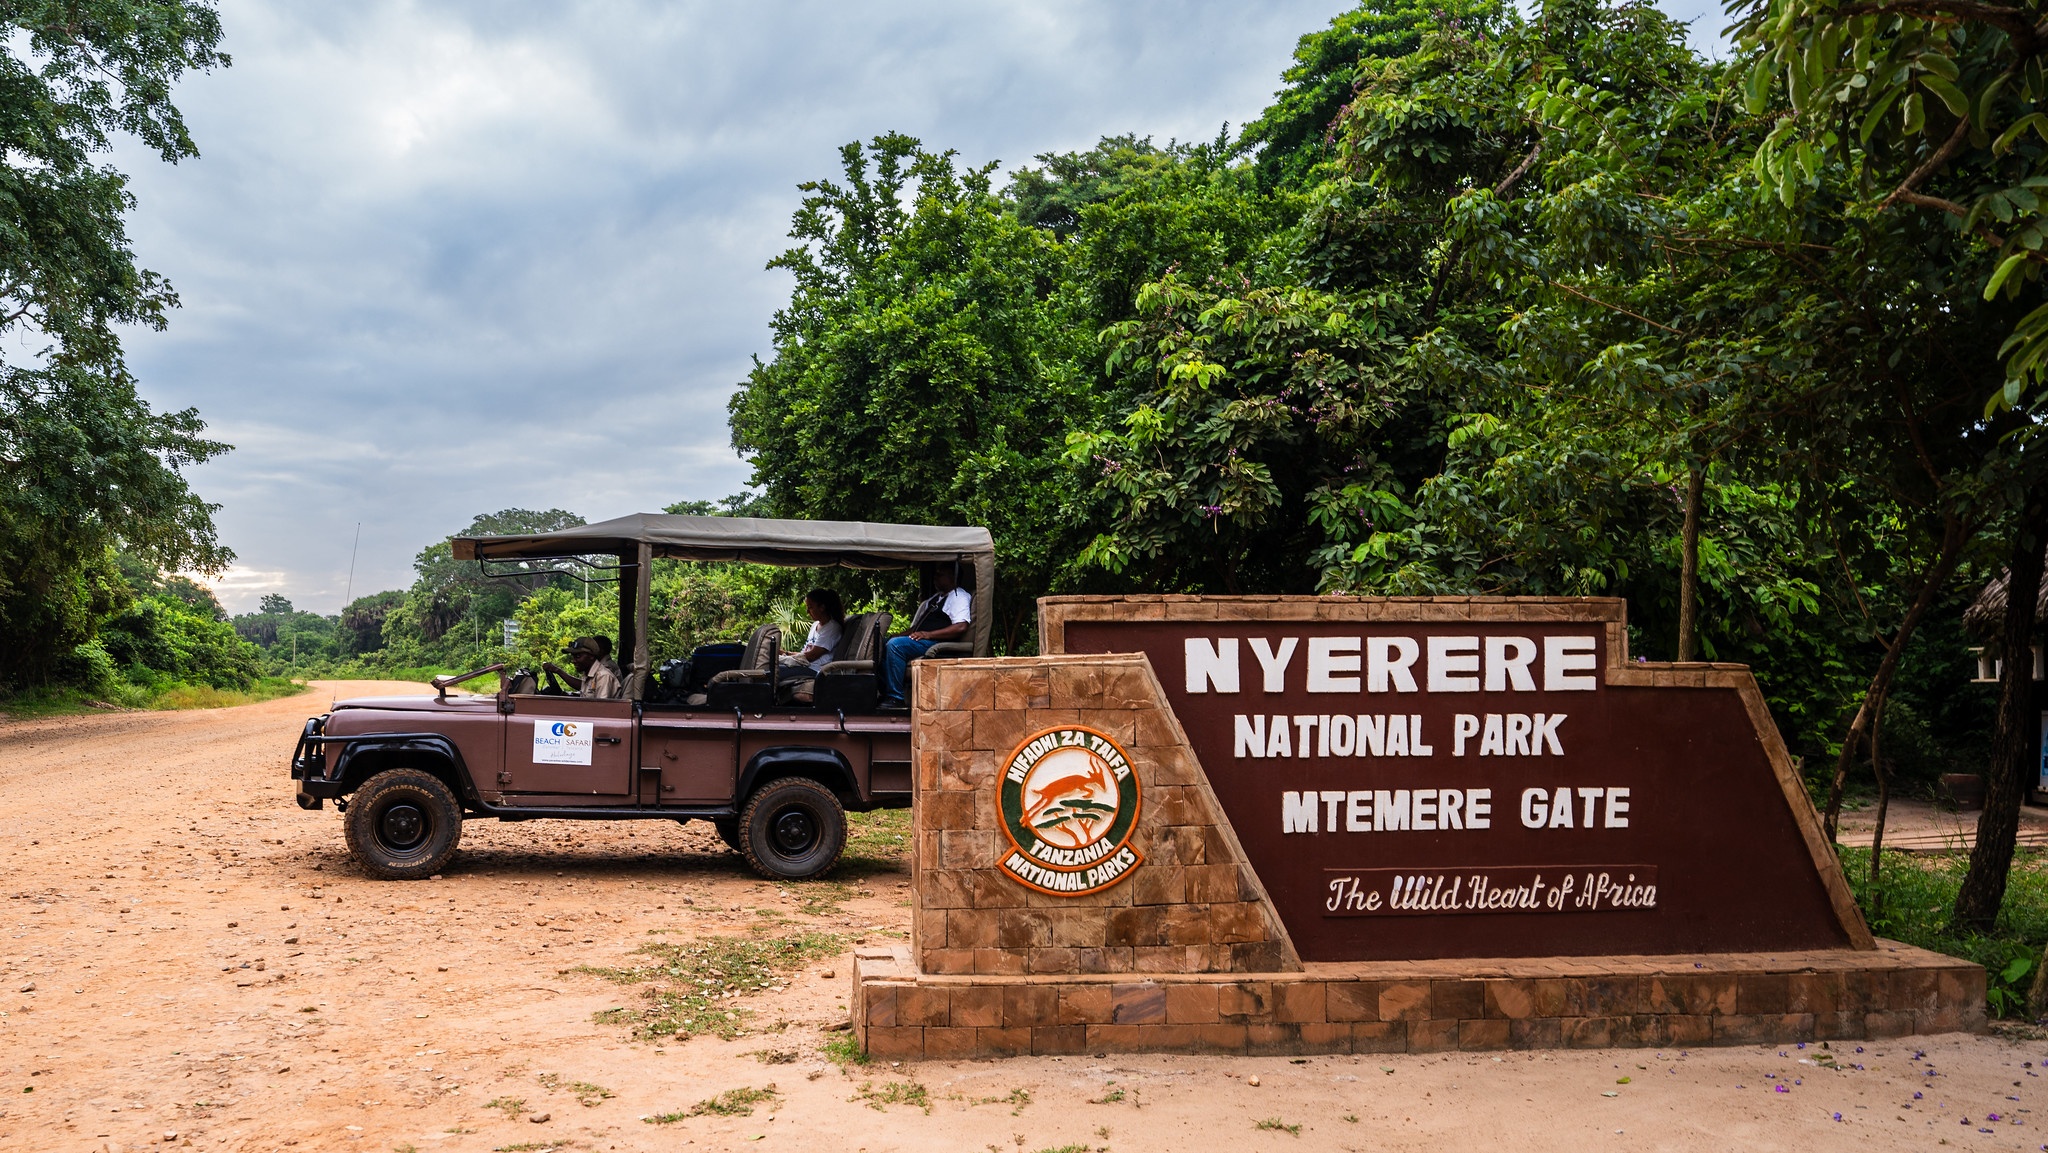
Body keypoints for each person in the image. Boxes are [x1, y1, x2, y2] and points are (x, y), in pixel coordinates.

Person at [879, 566, 970, 708]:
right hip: (921, 640)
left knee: (896, 645)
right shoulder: (936, 598)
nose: (936, 576)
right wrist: (897, 635)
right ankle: (884, 692)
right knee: (881, 644)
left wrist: (928, 634)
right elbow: (916, 628)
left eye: (941, 573)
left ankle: (895, 697)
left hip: (936, 643)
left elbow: (961, 626)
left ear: (954, 576)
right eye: (936, 573)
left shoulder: (958, 596)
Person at [778, 589, 845, 686]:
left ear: (822, 607)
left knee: (773, 671)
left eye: (810, 607)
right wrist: (784, 653)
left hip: (815, 671)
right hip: (806, 666)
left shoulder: (832, 628)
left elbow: (812, 656)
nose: (807, 611)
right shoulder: (815, 625)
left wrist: (786, 654)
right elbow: (804, 654)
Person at [543, 636, 624, 699]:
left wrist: (558, 671)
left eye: (578, 656)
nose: (573, 661)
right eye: (573, 657)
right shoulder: (588, 674)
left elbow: (600, 710)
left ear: (591, 656)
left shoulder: (603, 676)